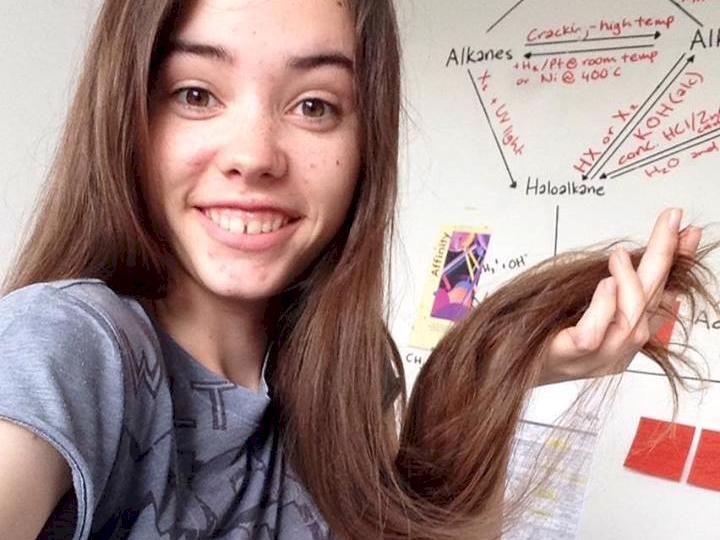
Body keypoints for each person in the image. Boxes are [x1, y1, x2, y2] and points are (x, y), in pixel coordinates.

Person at [0, 1, 710, 539]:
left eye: (314, 105)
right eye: (196, 94)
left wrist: (504, 367)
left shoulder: (354, 367)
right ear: (128, 117)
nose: (254, 156)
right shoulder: (64, 345)